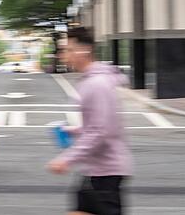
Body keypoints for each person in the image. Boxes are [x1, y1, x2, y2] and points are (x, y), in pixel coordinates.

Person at [46, 26, 132, 215]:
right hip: (93, 170)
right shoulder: (91, 81)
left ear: (84, 51)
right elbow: (97, 126)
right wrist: (74, 130)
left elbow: (101, 132)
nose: (63, 56)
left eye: (68, 50)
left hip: (105, 173)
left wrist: (67, 159)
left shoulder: (97, 84)